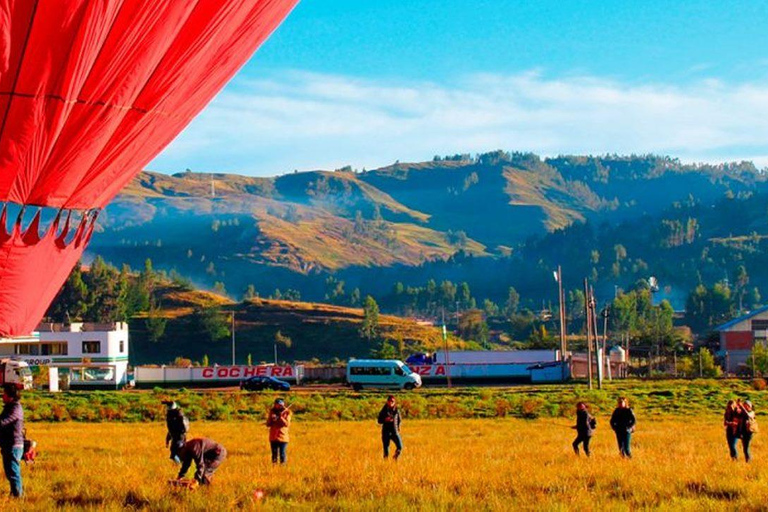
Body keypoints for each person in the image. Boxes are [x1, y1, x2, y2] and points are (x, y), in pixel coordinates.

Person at [0, 384, 23, 497]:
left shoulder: (15, 408)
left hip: (13, 445)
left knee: (13, 473)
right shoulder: (9, 407)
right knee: (10, 473)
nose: (2, 396)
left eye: (4, 393)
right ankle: (14, 494)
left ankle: (18, 496)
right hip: (7, 444)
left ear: (11, 396)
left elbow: (3, 422)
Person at [266, 398, 291, 464]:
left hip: (283, 437)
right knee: (274, 455)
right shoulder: (272, 412)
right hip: (273, 436)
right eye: (276, 404)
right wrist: (272, 420)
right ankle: (274, 467)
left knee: (282, 454)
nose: (278, 406)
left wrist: (281, 417)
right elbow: (268, 424)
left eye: (280, 405)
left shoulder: (287, 413)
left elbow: (287, 424)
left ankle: (282, 468)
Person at [378, 395, 402, 459]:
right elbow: (379, 421)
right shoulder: (383, 410)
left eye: (392, 401)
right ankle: (386, 464)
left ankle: (395, 458)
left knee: (400, 447)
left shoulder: (396, 410)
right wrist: (385, 420)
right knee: (386, 449)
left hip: (395, 431)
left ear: (394, 402)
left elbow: (399, 420)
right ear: (387, 402)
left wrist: (398, 427)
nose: (391, 402)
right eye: (389, 401)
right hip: (386, 432)